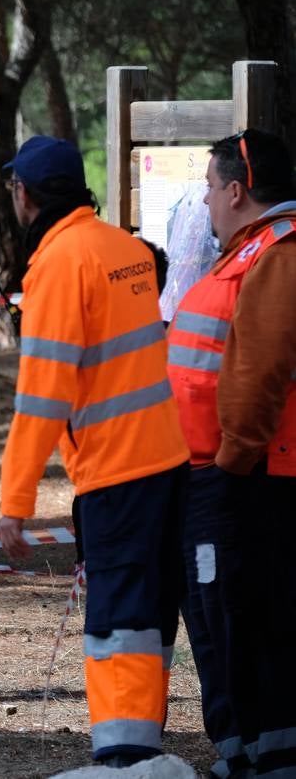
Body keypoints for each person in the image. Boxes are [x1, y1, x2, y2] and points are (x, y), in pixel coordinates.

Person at [0, 135, 188, 768]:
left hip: (116, 468)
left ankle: (126, 755)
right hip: (167, 458)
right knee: (153, 609)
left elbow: (42, 396)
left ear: (26, 195)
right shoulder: (125, 248)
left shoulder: (58, 264)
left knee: (120, 615)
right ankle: (143, 745)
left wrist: (15, 501)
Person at [166, 128, 296, 778]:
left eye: (211, 189)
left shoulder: (277, 254)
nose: (207, 202)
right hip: (227, 471)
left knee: (242, 614)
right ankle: (252, 747)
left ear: (238, 191)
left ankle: (262, 752)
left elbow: (259, 371)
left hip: (245, 473)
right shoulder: (250, 252)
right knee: (234, 613)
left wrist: (232, 461)